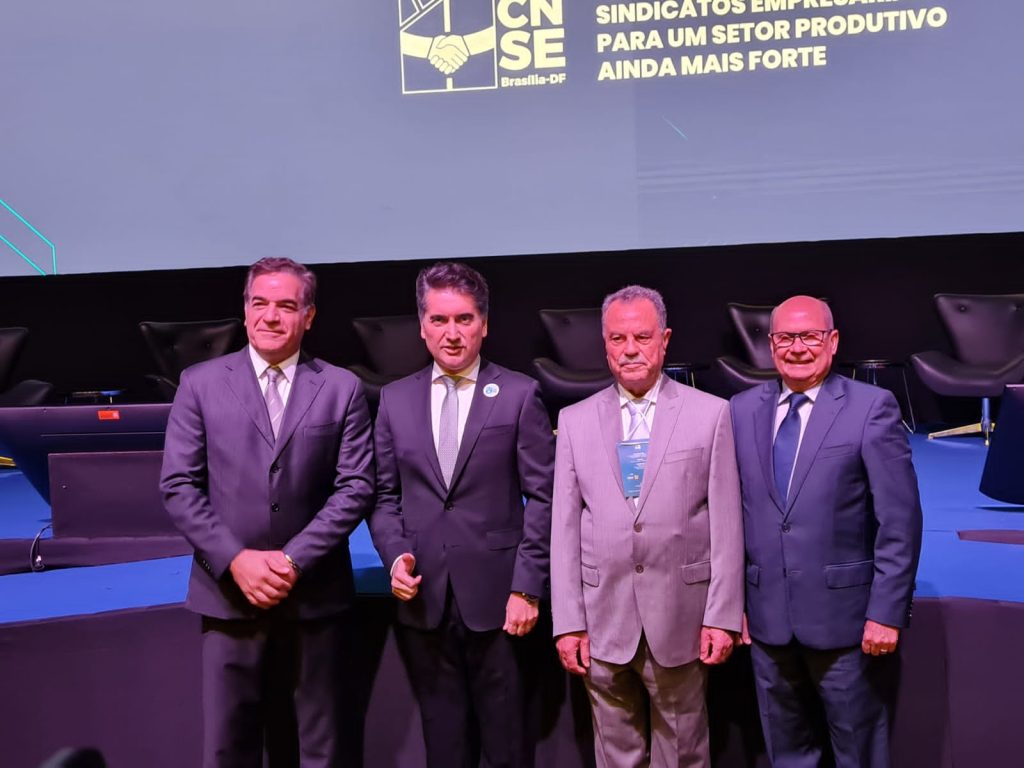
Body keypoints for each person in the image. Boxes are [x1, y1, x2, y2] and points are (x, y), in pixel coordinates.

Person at [160, 257, 374, 767]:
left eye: (286, 305)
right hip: (228, 594)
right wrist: (236, 560)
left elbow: (356, 487)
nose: (271, 316)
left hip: (315, 594)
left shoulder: (341, 387)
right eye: (260, 303)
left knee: (322, 749)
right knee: (228, 747)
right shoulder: (199, 383)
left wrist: (293, 561)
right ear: (245, 309)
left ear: (309, 316)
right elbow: (179, 485)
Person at [368, 261, 554, 768]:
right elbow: (383, 496)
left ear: (484, 325)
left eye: (464, 319)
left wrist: (527, 587)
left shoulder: (518, 394)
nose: (452, 333)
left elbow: (544, 498)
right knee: (445, 749)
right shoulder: (394, 400)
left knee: (507, 749)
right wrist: (395, 557)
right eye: (440, 320)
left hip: (501, 602)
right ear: (422, 326)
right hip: (424, 600)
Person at [550, 285, 743, 768]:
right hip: (602, 620)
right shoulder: (573, 421)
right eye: (618, 339)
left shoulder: (710, 414)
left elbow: (727, 524)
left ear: (665, 340)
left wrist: (722, 616)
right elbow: (564, 531)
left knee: (683, 754)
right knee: (615, 755)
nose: (630, 349)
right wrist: (568, 622)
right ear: (605, 344)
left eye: (642, 337)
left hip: (681, 619)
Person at [730, 295, 923, 768]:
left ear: (833, 341)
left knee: (858, 754)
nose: (797, 348)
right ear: (771, 344)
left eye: (810, 336)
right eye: (785, 338)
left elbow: (899, 520)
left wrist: (886, 612)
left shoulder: (871, 408)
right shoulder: (740, 410)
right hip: (767, 623)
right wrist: (734, 605)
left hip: (847, 624)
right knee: (787, 756)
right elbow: (732, 515)